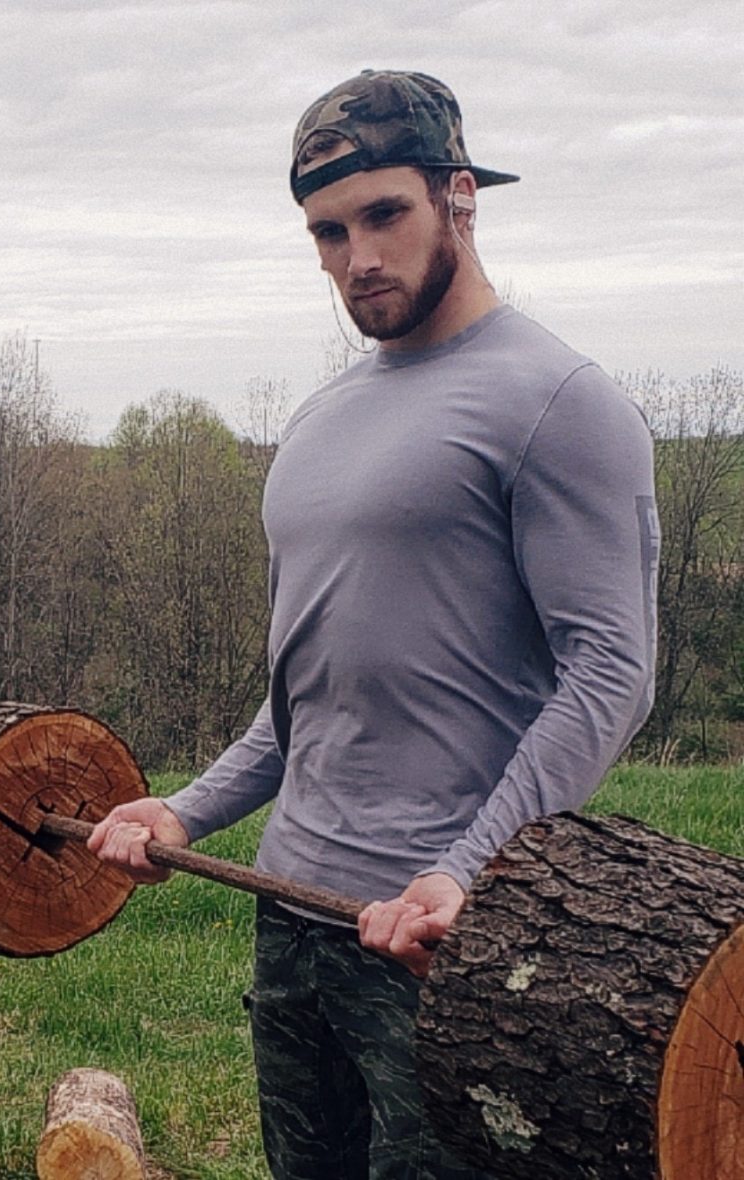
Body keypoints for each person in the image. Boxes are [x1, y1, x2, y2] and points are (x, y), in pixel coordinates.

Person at [89, 68, 658, 1180]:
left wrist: (465, 872)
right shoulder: (319, 422)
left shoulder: (557, 400)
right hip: (291, 918)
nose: (359, 257)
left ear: (460, 197)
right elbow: (307, 699)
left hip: (441, 941)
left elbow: (612, 670)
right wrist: (188, 812)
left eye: (385, 215)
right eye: (327, 232)